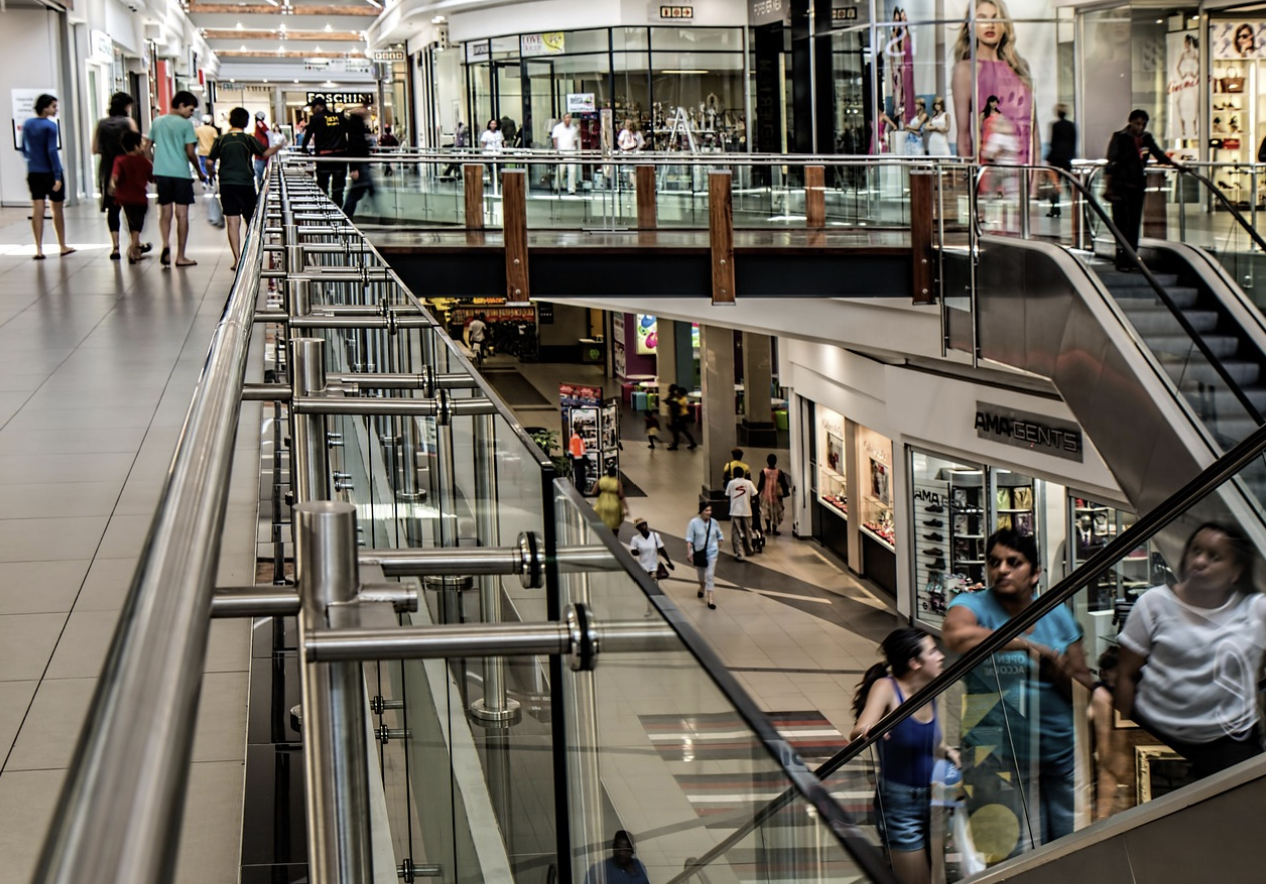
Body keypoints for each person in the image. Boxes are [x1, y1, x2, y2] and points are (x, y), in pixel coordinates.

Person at [942, 529, 1092, 860]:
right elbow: (956, 635)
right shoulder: (973, 605)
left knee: (1069, 849)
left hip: (1057, 753)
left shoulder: (1057, 614)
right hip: (993, 754)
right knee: (1011, 854)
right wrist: (1025, 645)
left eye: (1014, 562)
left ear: (1036, 572)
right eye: (994, 562)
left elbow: (1082, 685)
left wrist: (1057, 670)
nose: (1002, 570)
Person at [1115, 522, 1266, 780]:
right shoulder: (1154, 603)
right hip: (1156, 733)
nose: (1199, 561)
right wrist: (1120, 744)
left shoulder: (1256, 611)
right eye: (1195, 551)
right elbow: (1126, 676)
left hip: (1229, 741)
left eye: (1214, 557)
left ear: (1236, 572)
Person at [850, 628, 958, 884]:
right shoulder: (886, 687)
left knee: (936, 877)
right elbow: (858, 730)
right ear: (914, 662)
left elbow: (929, 741)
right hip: (900, 804)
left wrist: (948, 751)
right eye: (932, 651)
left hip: (934, 798)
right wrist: (868, 730)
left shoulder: (930, 689)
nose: (940, 655)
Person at [953, 0, 1034, 166]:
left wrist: (1034, 183)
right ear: (971, 26)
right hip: (989, 173)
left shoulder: (1020, 67)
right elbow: (963, 136)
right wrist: (972, 179)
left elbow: (1034, 130)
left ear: (1004, 25)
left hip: (1024, 169)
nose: (990, 24)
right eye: (982, 18)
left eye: (996, 18)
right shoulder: (965, 70)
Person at [206, 107, 283, 270]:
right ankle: (250, 254)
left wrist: (212, 173)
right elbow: (265, 152)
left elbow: (209, 162)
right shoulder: (247, 139)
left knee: (232, 221)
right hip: (245, 183)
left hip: (226, 183)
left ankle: (237, 258)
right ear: (246, 122)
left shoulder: (221, 139)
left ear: (230, 120)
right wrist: (279, 146)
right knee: (250, 219)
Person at [1104, 109, 1180, 272]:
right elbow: (1111, 162)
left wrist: (1175, 165)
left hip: (1137, 186)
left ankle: (1132, 258)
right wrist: (1108, 187)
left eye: (1143, 124)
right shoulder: (1120, 137)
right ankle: (1121, 258)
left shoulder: (1146, 138)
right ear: (1130, 122)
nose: (1140, 127)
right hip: (1120, 187)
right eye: (1137, 123)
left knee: (1134, 223)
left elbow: (1159, 154)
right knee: (1121, 223)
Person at [150, 90, 207, 268]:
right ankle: (180, 256)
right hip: (181, 174)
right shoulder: (185, 125)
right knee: (182, 215)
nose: (191, 114)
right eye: (190, 110)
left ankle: (166, 244)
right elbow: (190, 152)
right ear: (181, 105)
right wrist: (199, 171)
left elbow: (146, 146)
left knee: (164, 213)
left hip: (162, 173)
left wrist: (155, 165)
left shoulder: (157, 121)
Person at [21, 94, 73, 260]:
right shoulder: (50, 126)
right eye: (53, 106)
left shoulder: (28, 124)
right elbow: (52, 151)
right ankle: (62, 245)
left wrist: (32, 161)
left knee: (37, 208)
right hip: (50, 172)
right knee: (56, 209)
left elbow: (23, 148)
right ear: (45, 107)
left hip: (34, 172)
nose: (55, 109)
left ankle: (38, 248)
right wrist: (57, 175)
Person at [93, 91, 144, 260]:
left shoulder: (101, 124)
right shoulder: (128, 122)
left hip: (108, 168)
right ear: (126, 106)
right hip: (127, 168)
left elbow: (94, 148)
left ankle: (115, 247)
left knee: (112, 209)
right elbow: (137, 145)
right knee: (132, 207)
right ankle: (134, 245)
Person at [1087, 647, 1130, 821]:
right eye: (1110, 671)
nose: (1111, 675)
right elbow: (1105, 755)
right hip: (1104, 758)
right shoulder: (1102, 694)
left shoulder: (1117, 692)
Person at [110, 129, 153, 265]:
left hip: (124, 198)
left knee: (131, 222)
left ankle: (135, 249)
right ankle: (133, 247)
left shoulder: (120, 160)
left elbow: (115, 177)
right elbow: (153, 178)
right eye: (142, 144)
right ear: (135, 146)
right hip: (140, 198)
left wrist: (113, 186)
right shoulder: (143, 161)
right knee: (137, 224)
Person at [302, 97, 349, 205]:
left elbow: (308, 135)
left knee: (322, 188)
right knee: (338, 190)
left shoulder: (316, 119)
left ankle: (325, 212)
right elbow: (351, 130)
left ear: (320, 106)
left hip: (324, 158)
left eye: (314, 107)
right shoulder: (339, 118)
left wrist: (304, 149)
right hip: (341, 157)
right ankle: (338, 213)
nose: (313, 110)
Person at [685, 502, 723, 610]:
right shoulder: (693, 523)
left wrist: (719, 543)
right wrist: (689, 552)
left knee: (710, 575)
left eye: (710, 510)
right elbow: (689, 539)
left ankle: (710, 599)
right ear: (701, 511)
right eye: (706, 510)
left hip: (712, 552)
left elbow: (720, 535)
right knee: (701, 575)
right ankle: (702, 587)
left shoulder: (714, 522)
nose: (709, 513)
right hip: (698, 552)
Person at [343, 107, 377, 221]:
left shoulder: (356, 128)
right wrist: (354, 168)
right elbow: (353, 148)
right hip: (360, 164)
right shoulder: (355, 128)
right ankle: (346, 215)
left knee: (359, 191)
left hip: (362, 164)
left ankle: (347, 215)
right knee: (357, 192)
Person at [582, 830, 650, 884]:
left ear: (632, 851)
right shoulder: (599, 869)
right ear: (613, 847)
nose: (622, 853)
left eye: (626, 850)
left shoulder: (639, 866)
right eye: (619, 849)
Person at [1045, 104, 1076, 218]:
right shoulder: (1072, 126)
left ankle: (1055, 209)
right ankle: (1077, 206)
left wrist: (1049, 158)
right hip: (1067, 159)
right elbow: (1073, 143)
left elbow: (1053, 143)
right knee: (1069, 184)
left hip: (1056, 159)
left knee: (1055, 184)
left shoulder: (1055, 126)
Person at [725, 467, 758, 561]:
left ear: (734, 474)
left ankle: (740, 553)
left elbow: (727, 496)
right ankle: (749, 550)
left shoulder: (731, 483)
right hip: (747, 511)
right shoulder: (748, 483)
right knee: (748, 531)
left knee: (736, 533)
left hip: (735, 511)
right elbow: (755, 494)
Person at [757, 453, 791, 535]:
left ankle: (768, 528)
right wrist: (786, 492)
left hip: (766, 495)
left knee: (767, 512)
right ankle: (774, 529)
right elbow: (784, 483)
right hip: (777, 496)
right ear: (776, 461)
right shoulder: (779, 472)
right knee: (776, 513)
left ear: (767, 461)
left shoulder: (764, 472)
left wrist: (757, 493)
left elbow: (761, 484)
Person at [551, 112, 581, 195]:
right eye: (566, 117)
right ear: (563, 119)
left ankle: (571, 189)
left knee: (572, 172)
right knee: (560, 171)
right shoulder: (558, 128)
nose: (568, 119)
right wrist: (556, 150)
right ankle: (557, 187)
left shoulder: (573, 128)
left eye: (569, 117)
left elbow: (575, 140)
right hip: (562, 152)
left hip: (571, 152)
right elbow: (555, 139)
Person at [594, 465, 628, 534]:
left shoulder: (600, 480)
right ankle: (615, 539)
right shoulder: (617, 482)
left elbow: (594, 491)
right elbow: (621, 495)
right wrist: (626, 508)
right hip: (614, 505)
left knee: (601, 521)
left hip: (602, 504)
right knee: (615, 526)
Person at [665, 385, 697, 451]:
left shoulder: (680, 399)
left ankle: (675, 445)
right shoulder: (681, 398)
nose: (677, 393)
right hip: (682, 416)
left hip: (680, 416)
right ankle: (692, 443)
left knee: (676, 431)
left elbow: (674, 405)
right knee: (684, 430)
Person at [195, 114, 219, 183]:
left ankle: (204, 181)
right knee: (212, 166)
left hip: (202, 151)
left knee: (203, 166)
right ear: (210, 121)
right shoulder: (213, 130)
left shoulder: (198, 129)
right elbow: (216, 140)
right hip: (211, 151)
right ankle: (212, 179)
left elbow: (195, 139)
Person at [252, 111, 272, 187]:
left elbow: (268, 132)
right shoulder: (258, 126)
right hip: (262, 155)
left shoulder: (259, 123)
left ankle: (260, 192)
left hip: (260, 156)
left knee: (259, 177)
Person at [569, 429, 588, 494]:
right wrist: (587, 461)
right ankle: (580, 494)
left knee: (578, 479)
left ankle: (580, 493)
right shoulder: (578, 439)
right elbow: (581, 451)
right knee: (581, 479)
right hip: (579, 462)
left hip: (576, 462)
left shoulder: (573, 438)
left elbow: (571, 452)